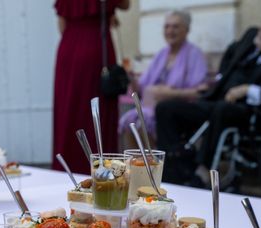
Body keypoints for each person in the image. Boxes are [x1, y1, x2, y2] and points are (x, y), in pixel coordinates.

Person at [155, 4, 261, 186]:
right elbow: (231, 51)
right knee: (166, 108)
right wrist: (222, 76)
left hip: (249, 112)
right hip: (218, 100)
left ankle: (204, 169)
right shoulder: (252, 37)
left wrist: (248, 90)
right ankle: (177, 166)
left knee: (222, 109)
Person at [52, 0, 130, 175]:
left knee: (69, 110)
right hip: (96, 47)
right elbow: (125, 4)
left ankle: (67, 168)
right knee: (99, 109)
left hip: (69, 47)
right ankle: (103, 170)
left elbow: (62, 23)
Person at [119, 10, 207, 148]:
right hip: (150, 107)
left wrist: (168, 94)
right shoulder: (161, 54)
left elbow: (199, 92)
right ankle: (135, 166)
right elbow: (141, 89)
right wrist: (130, 78)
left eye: (175, 26)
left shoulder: (194, 54)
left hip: (177, 110)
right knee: (130, 122)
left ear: (187, 29)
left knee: (142, 123)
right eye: (167, 26)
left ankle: (155, 165)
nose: (170, 31)